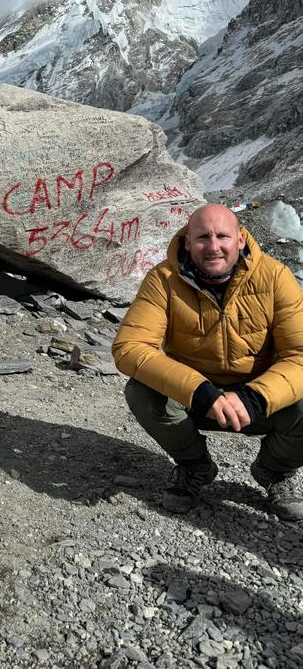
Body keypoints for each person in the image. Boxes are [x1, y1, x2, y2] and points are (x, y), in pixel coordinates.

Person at [112, 203, 303, 520]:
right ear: (187, 242)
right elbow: (129, 346)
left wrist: (256, 396)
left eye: (222, 236)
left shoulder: (274, 278)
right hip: (197, 397)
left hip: (258, 397)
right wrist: (199, 391)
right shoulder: (164, 280)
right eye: (202, 237)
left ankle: (274, 471)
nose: (213, 247)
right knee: (141, 391)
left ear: (240, 239)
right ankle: (195, 466)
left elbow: (299, 354)